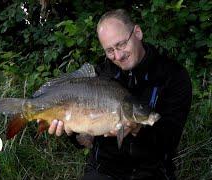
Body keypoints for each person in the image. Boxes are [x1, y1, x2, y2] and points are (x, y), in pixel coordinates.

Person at [47, 9, 192, 180]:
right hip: (104, 170)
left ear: (137, 33)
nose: (118, 55)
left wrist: (138, 129)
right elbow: (84, 141)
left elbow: (169, 142)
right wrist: (72, 132)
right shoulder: (99, 77)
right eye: (109, 50)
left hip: (152, 170)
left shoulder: (173, 76)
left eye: (122, 44)